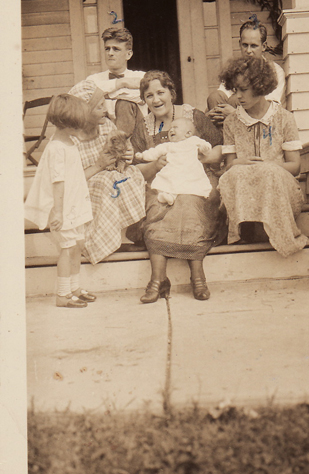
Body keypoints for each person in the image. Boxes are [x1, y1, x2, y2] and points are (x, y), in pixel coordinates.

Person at [117, 70, 223, 303]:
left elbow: (218, 148)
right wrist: (155, 165)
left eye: (160, 92)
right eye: (148, 95)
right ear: (144, 100)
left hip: (196, 180)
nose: (155, 100)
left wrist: (197, 159)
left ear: (171, 93)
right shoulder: (142, 127)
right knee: (157, 208)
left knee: (190, 205)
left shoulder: (192, 116)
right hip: (161, 183)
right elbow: (137, 165)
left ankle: (198, 278)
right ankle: (158, 280)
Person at [218, 56, 308, 257]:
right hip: (245, 190)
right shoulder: (231, 122)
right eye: (235, 90)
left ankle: (277, 234)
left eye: (244, 90)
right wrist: (239, 162)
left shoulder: (284, 118)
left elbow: (295, 166)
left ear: (260, 86)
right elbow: (229, 165)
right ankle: (241, 232)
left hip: (280, 191)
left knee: (268, 172)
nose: (238, 96)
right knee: (232, 174)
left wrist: (268, 166)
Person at [24, 93, 104, 307]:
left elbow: (89, 136)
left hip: (74, 206)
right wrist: (57, 212)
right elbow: (57, 182)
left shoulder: (68, 141)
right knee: (67, 250)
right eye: (77, 126)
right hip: (63, 209)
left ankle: (74, 287)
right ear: (67, 124)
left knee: (77, 245)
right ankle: (62, 295)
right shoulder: (57, 148)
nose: (80, 130)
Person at [68, 80, 146, 265]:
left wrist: (128, 154)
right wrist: (98, 165)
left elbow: (122, 148)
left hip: (111, 174)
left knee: (133, 174)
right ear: (84, 112)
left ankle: (127, 236)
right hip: (86, 185)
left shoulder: (106, 126)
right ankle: (101, 241)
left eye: (104, 105)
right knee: (107, 183)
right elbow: (69, 181)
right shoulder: (71, 139)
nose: (105, 110)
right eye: (99, 107)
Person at [207, 19, 285, 127]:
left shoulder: (274, 71)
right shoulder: (236, 68)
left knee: (235, 99)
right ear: (239, 44)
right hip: (236, 118)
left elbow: (270, 108)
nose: (248, 51)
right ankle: (227, 140)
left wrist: (235, 114)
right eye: (245, 45)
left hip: (262, 124)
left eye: (253, 46)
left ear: (264, 46)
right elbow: (222, 94)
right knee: (214, 97)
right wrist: (215, 112)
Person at [135, 117, 213, 206]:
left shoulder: (193, 140)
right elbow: (155, 152)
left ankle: (191, 195)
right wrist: (143, 155)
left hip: (190, 169)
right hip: (174, 170)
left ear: (188, 133)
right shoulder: (169, 145)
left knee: (192, 184)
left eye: (175, 127)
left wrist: (205, 148)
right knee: (169, 182)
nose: (171, 130)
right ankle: (169, 196)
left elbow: (204, 146)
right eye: (170, 128)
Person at [86, 27, 147, 120]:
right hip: (103, 131)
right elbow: (88, 103)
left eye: (116, 49)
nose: (110, 53)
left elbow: (142, 99)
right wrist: (122, 83)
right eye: (107, 49)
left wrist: (106, 94)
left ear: (128, 54)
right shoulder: (93, 80)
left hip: (135, 132)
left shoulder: (141, 76)